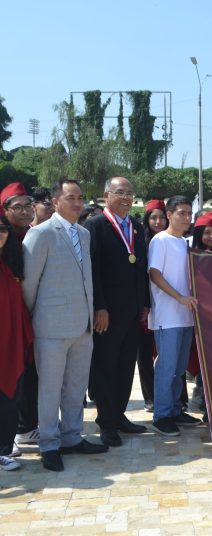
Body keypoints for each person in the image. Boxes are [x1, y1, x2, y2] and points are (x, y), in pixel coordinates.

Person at [22, 179, 108, 471]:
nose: (78, 203)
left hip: (82, 326)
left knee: (75, 386)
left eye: (81, 198)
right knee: (49, 387)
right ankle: (49, 443)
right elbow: (29, 284)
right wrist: (38, 316)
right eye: (71, 197)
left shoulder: (83, 234)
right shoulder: (41, 234)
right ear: (56, 201)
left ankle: (72, 436)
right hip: (51, 326)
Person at [85, 177, 149, 448]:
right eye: (120, 192)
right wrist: (100, 306)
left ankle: (119, 415)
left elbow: (140, 265)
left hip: (132, 311)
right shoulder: (96, 225)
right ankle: (106, 423)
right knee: (106, 368)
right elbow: (93, 270)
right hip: (107, 313)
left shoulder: (134, 224)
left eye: (130, 193)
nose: (126, 198)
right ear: (106, 195)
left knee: (125, 368)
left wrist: (144, 303)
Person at [148, 196, 202, 436]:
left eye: (189, 213)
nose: (186, 218)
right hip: (167, 316)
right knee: (166, 368)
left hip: (186, 316)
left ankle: (175, 409)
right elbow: (154, 274)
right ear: (169, 215)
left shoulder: (184, 243)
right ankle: (161, 415)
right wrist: (179, 297)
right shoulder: (160, 240)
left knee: (179, 368)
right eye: (181, 213)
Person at [2, 182, 39, 450]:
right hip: (8, 317)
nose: (25, 211)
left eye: (28, 205)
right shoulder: (5, 238)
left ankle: (26, 427)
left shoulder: (35, 235)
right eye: (18, 207)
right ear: (5, 211)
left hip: (32, 315)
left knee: (30, 373)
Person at [0, 213, 34, 471]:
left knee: (10, 399)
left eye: (2, 228)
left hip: (12, 342)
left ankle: (3, 449)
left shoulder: (11, 263)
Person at [138, 199, 169, 412]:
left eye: (161, 217)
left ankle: (174, 398)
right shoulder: (140, 242)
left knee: (168, 354)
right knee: (145, 352)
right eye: (153, 217)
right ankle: (150, 397)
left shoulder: (172, 240)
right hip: (145, 303)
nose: (157, 221)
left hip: (167, 302)